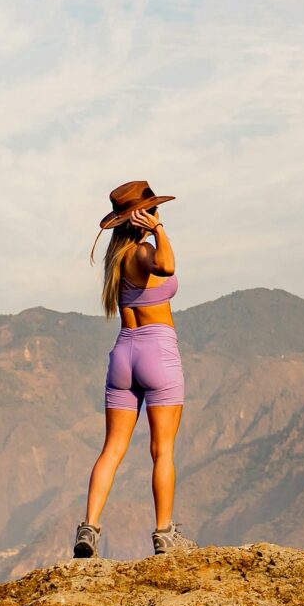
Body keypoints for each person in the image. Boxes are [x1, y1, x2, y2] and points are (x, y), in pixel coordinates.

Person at [76, 180, 192, 559]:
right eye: (152, 210)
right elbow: (168, 264)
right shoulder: (144, 252)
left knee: (112, 449)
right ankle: (164, 534)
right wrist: (159, 230)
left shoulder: (116, 260)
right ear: (141, 216)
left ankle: (89, 529)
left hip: (124, 353)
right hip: (157, 352)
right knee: (162, 450)